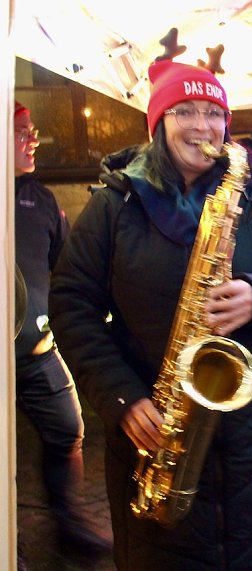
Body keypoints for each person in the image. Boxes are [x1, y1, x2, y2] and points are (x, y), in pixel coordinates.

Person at [48, 55, 252, 570]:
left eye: (213, 113)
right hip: (154, 429)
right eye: (184, 112)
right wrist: (121, 398)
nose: (202, 126)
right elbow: (71, 304)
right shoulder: (116, 206)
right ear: (158, 125)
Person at [13, 101, 112, 562]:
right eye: (20, 131)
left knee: (67, 429)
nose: (33, 139)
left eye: (33, 129)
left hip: (36, 350)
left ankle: (69, 523)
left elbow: (65, 270)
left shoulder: (40, 199)